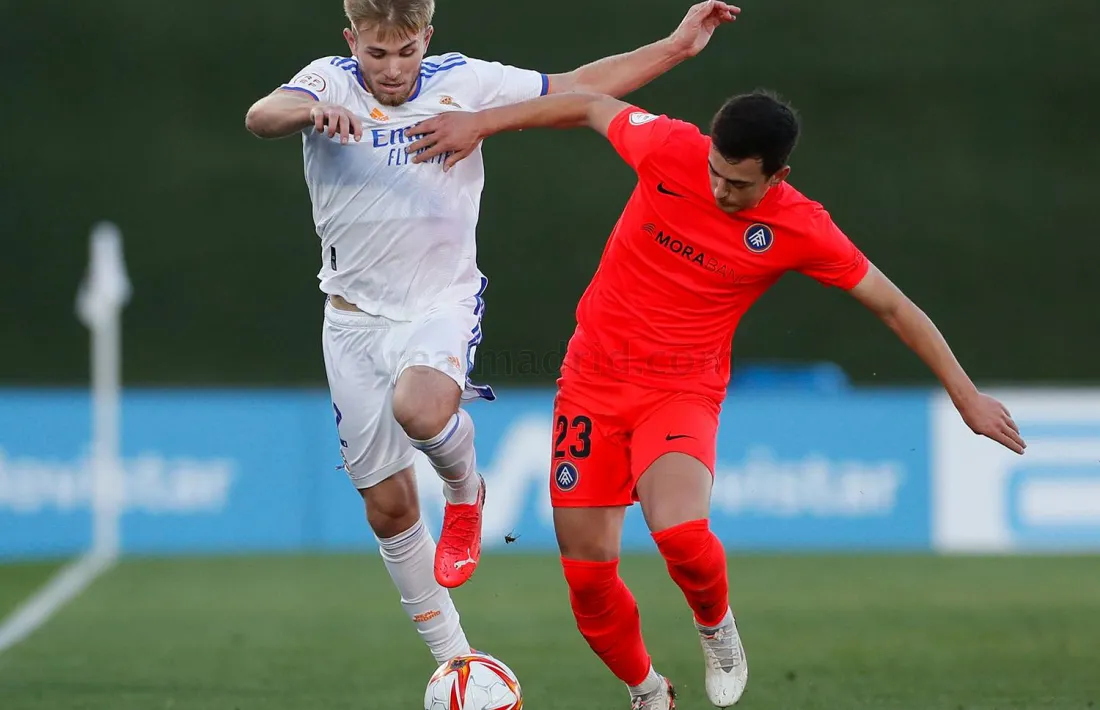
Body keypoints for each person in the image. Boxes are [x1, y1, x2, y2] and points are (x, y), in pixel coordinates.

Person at [402, 91, 1028, 707]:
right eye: (715, 173)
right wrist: (479, 123)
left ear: (778, 175)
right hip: (590, 383)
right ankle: (648, 693)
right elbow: (590, 104)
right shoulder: (671, 146)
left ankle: (716, 627)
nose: (721, 190)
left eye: (738, 184)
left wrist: (965, 395)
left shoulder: (801, 226)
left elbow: (894, 305)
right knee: (587, 581)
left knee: (679, 534)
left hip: (681, 389)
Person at [244, 0, 741, 669]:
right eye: (376, 53)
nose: (392, 69)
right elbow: (260, 116)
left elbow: (578, 87)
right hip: (351, 320)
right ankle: (457, 661)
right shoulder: (327, 82)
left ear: (427, 38)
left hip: (438, 304)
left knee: (421, 409)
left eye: (406, 51)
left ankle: (463, 491)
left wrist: (678, 47)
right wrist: (309, 111)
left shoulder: (465, 82)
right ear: (350, 41)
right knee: (388, 512)